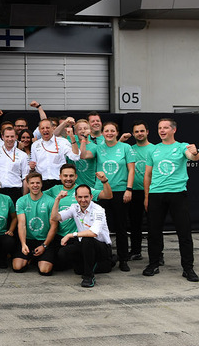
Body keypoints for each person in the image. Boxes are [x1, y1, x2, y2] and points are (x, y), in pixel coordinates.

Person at [143, 118, 199, 281]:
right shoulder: (153, 150)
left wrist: (195, 152)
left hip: (177, 194)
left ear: (173, 130)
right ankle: (153, 264)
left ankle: (188, 268)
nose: (162, 130)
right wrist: (147, 196)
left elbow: (193, 157)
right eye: (160, 127)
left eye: (165, 127)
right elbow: (147, 174)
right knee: (154, 232)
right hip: (156, 194)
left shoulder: (182, 146)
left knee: (184, 233)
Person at [79, 121, 134, 271]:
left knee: (121, 227)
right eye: (106, 131)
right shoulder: (98, 148)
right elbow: (83, 155)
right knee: (101, 227)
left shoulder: (126, 148)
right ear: (102, 133)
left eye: (112, 131)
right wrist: (84, 139)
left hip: (120, 191)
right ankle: (105, 257)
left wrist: (129, 189)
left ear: (117, 133)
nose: (109, 133)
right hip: (101, 192)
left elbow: (131, 170)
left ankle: (123, 259)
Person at [52, 184, 113, 288]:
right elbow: (55, 217)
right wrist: (57, 199)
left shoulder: (98, 210)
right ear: (76, 198)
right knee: (63, 254)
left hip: (101, 247)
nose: (83, 200)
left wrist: (71, 235)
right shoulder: (74, 208)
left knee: (87, 239)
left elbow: (93, 233)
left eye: (86, 197)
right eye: (80, 197)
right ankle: (96, 265)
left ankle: (89, 276)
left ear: (91, 197)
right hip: (85, 246)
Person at [44, 164, 112, 243]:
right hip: (58, 233)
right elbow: (38, 196)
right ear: (60, 177)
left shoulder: (82, 190)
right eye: (65, 176)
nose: (68, 179)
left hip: (78, 235)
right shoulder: (54, 190)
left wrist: (104, 181)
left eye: (71, 176)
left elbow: (108, 195)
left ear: (76, 176)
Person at [14, 172, 58, 275]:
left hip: (44, 240)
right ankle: (31, 258)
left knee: (44, 270)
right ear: (28, 185)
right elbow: (21, 224)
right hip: (28, 239)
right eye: (32, 183)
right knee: (17, 267)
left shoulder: (51, 201)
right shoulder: (21, 201)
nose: (35, 185)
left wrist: (44, 245)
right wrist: (23, 244)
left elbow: (54, 226)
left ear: (42, 184)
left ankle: (37, 259)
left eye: (38, 183)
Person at [128, 121, 154, 261]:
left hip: (153, 192)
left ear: (147, 132)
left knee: (154, 225)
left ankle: (157, 255)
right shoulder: (129, 149)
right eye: (136, 131)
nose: (139, 134)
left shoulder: (154, 149)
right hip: (135, 191)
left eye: (142, 131)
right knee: (135, 224)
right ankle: (136, 251)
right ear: (133, 134)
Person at [30, 118, 80, 190]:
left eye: (47, 127)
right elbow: (33, 166)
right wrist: (31, 166)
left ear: (53, 128)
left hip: (59, 181)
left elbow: (75, 157)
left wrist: (72, 138)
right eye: (42, 128)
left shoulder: (62, 142)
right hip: (42, 182)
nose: (45, 130)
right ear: (39, 130)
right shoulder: (35, 145)